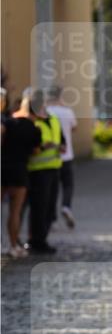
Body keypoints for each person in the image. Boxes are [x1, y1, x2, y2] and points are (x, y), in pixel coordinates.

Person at [1, 90, 41, 257]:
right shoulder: (34, 129)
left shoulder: (9, 123)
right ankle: (12, 245)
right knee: (15, 211)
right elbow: (36, 151)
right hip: (20, 171)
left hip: (3, 168)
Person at [24, 88, 62, 255]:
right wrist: (43, 146)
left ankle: (42, 238)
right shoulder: (32, 122)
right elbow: (31, 147)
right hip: (38, 171)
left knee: (50, 207)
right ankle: (36, 241)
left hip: (54, 168)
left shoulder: (53, 119)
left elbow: (61, 138)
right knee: (39, 207)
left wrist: (61, 146)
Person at [46, 86, 77, 228]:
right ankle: (66, 206)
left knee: (53, 189)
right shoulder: (67, 111)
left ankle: (51, 218)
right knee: (68, 185)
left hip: (51, 157)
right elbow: (73, 128)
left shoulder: (47, 112)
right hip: (67, 155)